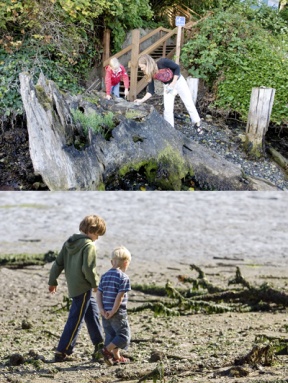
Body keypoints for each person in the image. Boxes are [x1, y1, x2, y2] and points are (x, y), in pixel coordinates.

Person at [48, 214, 106, 362]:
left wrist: (52, 280)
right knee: (75, 320)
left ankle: (100, 347)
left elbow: (58, 263)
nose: (97, 238)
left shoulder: (69, 242)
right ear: (91, 231)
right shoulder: (89, 246)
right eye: (97, 234)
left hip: (74, 285)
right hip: (83, 286)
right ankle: (62, 351)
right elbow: (88, 268)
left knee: (92, 314)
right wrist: (95, 284)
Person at [134, 54, 202, 133]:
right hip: (168, 87)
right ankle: (170, 129)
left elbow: (177, 68)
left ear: (147, 64)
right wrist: (141, 100)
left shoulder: (162, 62)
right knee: (167, 110)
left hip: (179, 81)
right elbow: (151, 91)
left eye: (142, 67)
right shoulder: (149, 74)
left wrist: (173, 83)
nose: (141, 69)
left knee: (188, 102)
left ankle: (197, 123)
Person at [96, 245, 132, 366]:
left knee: (110, 334)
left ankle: (115, 356)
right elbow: (119, 297)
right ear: (126, 263)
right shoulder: (124, 277)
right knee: (123, 335)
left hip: (104, 311)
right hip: (117, 312)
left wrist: (101, 309)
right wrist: (113, 311)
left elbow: (99, 294)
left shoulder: (104, 276)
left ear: (112, 262)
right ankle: (106, 351)